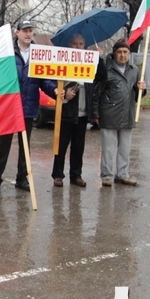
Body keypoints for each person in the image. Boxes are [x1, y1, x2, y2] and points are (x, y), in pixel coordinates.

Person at [0, 20, 58, 194]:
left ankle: (22, 179)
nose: (28, 34)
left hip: (28, 109)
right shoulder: (7, 53)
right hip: (9, 109)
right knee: (2, 146)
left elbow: (45, 80)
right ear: (17, 32)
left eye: (31, 31)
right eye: (25, 31)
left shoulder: (38, 54)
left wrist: (55, 90)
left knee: (24, 147)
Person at [92, 38, 146, 187]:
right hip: (109, 114)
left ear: (129, 53)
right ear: (114, 53)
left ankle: (122, 174)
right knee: (108, 149)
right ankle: (107, 175)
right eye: (120, 52)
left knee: (124, 148)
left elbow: (137, 94)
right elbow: (97, 93)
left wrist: (142, 88)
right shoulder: (106, 70)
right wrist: (96, 114)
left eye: (125, 52)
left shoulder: (134, 70)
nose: (122, 55)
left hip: (127, 113)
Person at [51, 34, 95, 188]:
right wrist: (64, 93)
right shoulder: (63, 62)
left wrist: (99, 58)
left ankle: (76, 175)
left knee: (78, 148)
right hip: (66, 113)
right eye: (75, 44)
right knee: (61, 146)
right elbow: (53, 83)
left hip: (83, 114)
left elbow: (101, 76)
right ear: (70, 46)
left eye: (81, 44)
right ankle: (58, 175)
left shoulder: (91, 63)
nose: (78, 47)